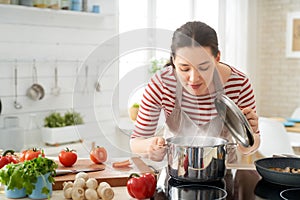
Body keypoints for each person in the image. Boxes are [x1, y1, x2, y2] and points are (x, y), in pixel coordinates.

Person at [130, 21, 260, 162]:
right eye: (184, 68)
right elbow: (137, 141)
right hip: (177, 169)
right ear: (173, 61)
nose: (193, 79)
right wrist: (150, 146)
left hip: (224, 171)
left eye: (204, 67)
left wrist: (250, 135)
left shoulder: (239, 84)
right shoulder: (162, 84)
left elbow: (249, 148)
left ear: (217, 58)